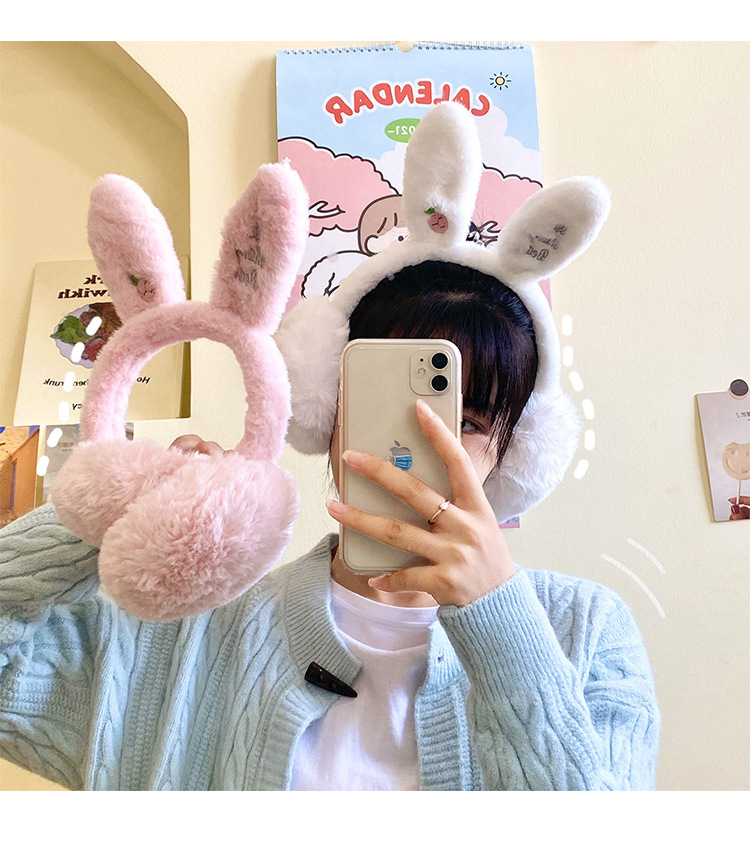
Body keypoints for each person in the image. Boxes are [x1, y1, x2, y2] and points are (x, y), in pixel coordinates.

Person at [0, 256, 660, 791]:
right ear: (328, 412)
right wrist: (111, 503)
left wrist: (501, 624)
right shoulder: (189, 626)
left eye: (468, 420)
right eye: (387, 405)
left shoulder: (586, 630)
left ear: (511, 453)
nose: (417, 443)